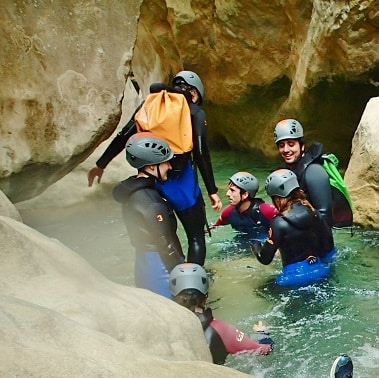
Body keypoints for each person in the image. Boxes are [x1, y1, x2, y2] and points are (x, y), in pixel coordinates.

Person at [89, 70, 222, 265]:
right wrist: (212, 190)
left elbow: (124, 135)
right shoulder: (195, 111)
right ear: (194, 92)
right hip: (181, 182)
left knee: (166, 236)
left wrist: (101, 164)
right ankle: (194, 284)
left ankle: (172, 276)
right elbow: (201, 152)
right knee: (195, 237)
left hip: (152, 182)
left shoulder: (151, 105)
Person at [112, 134, 185, 297]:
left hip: (143, 265)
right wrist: (182, 274)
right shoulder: (151, 202)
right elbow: (166, 245)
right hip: (161, 268)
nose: (170, 167)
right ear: (151, 167)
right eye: (166, 162)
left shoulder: (130, 191)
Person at [168, 263, 273, 364]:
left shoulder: (166, 325)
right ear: (206, 297)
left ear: (172, 298)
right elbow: (265, 350)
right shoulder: (221, 330)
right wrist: (263, 334)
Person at [250, 169, 331, 287]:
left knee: (259, 290)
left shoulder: (279, 223)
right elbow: (329, 248)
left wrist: (256, 246)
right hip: (321, 270)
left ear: (277, 198)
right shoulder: (314, 213)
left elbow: (265, 259)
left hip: (293, 278)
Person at [273, 118, 335, 261]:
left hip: (318, 252)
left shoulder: (314, 171)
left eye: (291, 144)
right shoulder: (296, 172)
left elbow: (324, 217)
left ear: (302, 146)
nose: (286, 150)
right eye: (281, 145)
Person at [211, 171, 278, 244]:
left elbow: (287, 228)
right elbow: (214, 227)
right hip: (241, 243)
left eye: (232, 190)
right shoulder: (229, 212)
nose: (227, 194)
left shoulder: (266, 210)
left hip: (264, 244)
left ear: (245, 194)